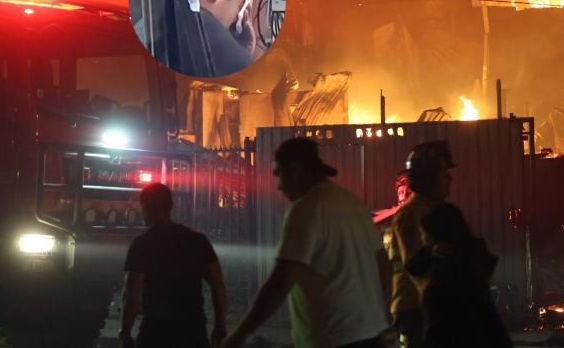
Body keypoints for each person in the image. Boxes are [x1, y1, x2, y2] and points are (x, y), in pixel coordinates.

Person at [222, 137, 390, 348]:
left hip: (333, 339)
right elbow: (383, 264)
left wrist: (237, 336)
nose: (278, 186)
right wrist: (383, 318)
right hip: (372, 335)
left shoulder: (306, 209)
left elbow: (280, 282)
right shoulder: (352, 203)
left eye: (278, 175)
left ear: (295, 171)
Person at [119, 183, 227, 348]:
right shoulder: (198, 241)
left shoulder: (141, 245)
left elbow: (132, 294)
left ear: (145, 208)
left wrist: (125, 333)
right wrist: (220, 325)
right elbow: (218, 286)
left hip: (155, 334)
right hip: (193, 333)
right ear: (170, 206)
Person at [406, 203, 513, 348]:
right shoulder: (470, 258)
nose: (423, 239)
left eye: (424, 234)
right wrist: (430, 252)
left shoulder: (447, 278)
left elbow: (438, 332)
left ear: (435, 235)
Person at [389, 141, 455, 348]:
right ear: (428, 179)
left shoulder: (434, 210)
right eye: (444, 172)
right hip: (414, 306)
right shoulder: (411, 213)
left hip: (429, 305)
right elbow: (415, 264)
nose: (449, 178)